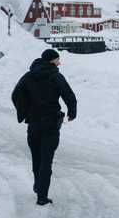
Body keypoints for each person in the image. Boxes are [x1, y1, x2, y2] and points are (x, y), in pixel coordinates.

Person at [12, 49, 77, 206]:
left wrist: (24, 112)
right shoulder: (55, 76)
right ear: (51, 61)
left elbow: (16, 94)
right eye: (57, 60)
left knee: (36, 158)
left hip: (33, 123)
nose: (59, 63)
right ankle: (42, 195)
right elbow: (69, 94)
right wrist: (72, 112)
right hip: (50, 123)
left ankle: (38, 185)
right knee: (46, 160)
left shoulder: (28, 76)